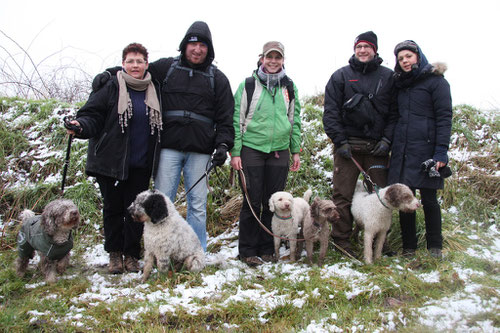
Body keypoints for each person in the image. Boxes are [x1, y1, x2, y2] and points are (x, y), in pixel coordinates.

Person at [92, 21, 235, 251]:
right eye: (193, 44)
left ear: (209, 49)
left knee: (197, 205)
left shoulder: (218, 79)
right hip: (168, 148)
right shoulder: (166, 68)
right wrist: (108, 74)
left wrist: (223, 145)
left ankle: (196, 252)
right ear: (184, 46)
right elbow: (136, 70)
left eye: (203, 46)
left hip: (200, 151)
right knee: (160, 201)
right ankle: (158, 250)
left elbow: (226, 117)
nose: (197, 49)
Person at [66, 43, 162, 274]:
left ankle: (131, 255)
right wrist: (80, 127)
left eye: (139, 61)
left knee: (136, 211)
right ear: (123, 64)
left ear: (147, 64)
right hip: (110, 162)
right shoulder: (110, 85)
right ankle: (114, 254)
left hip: (141, 164)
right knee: (112, 209)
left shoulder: (154, 88)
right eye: (130, 61)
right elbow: (92, 115)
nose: (135, 65)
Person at [323, 31, 398, 257]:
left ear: (375, 50)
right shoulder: (340, 76)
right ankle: (341, 241)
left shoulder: (389, 77)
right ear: (354, 49)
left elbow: (396, 114)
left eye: (367, 46)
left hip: (377, 149)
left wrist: (387, 140)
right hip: (347, 149)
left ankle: (379, 241)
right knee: (342, 196)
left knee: (381, 197)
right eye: (359, 46)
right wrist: (340, 141)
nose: (363, 50)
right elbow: (330, 113)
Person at [230, 41, 302, 267]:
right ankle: (248, 250)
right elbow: (236, 119)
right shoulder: (248, 85)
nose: (273, 61)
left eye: (277, 57)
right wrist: (236, 151)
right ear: (261, 58)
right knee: (252, 201)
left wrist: (295, 150)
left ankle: (267, 247)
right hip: (252, 149)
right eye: (269, 57)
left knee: (274, 202)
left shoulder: (289, 87)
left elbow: (295, 120)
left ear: (283, 60)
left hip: (279, 151)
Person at [388, 40, 452, 259]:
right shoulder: (400, 85)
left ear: (418, 56)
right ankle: (409, 248)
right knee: (406, 200)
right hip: (402, 150)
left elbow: (445, 118)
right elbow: (395, 117)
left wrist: (441, 152)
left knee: (430, 199)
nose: (405, 61)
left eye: (408, 56)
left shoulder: (437, 82)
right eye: (401, 58)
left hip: (427, 151)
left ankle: (435, 247)